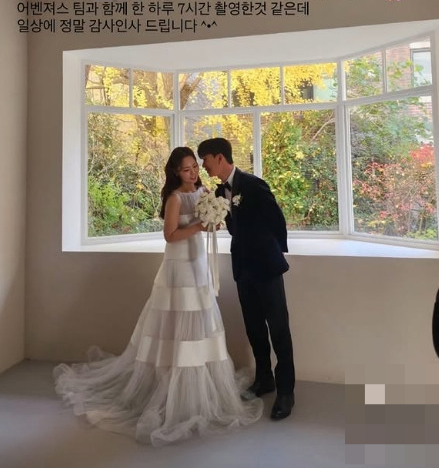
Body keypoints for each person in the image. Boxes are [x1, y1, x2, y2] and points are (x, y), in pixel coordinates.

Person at [54, 147, 262, 445]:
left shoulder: (204, 191)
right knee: (176, 321)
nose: (193, 172)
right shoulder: (174, 198)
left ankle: (198, 386)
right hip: (178, 268)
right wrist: (198, 226)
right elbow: (170, 235)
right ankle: (171, 385)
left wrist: (213, 222)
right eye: (187, 169)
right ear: (176, 172)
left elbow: (209, 225)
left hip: (198, 264)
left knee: (200, 319)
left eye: (195, 167)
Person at [197, 138, 295, 420]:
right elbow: (232, 226)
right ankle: (264, 380)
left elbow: (277, 221)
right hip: (243, 269)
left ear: (219, 157)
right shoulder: (219, 192)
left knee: (279, 330)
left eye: (205, 159)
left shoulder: (253, 184)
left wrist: (272, 253)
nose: (204, 166)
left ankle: (286, 392)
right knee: (254, 329)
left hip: (266, 268)